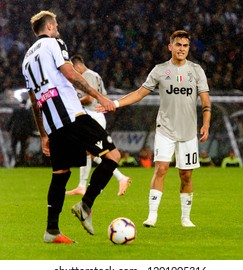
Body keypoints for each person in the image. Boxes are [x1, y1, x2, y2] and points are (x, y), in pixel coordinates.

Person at [22, 11, 119, 244]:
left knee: (61, 174)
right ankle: (85, 206)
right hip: (71, 115)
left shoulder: (26, 60)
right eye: (56, 25)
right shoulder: (54, 43)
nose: (58, 28)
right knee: (112, 156)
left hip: (53, 123)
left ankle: (51, 231)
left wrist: (44, 133)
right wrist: (99, 97)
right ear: (49, 26)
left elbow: (35, 101)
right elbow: (70, 74)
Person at [98, 30, 211, 227]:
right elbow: (140, 93)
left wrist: (206, 124)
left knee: (186, 175)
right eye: (178, 45)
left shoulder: (196, 70)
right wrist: (115, 104)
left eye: (185, 46)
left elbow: (205, 100)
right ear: (170, 47)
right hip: (165, 129)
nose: (181, 49)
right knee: (161, 168)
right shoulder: (159, 70)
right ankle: (152, 216)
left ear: (188, 48)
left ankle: (185, 218)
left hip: (188, 132)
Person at [65, 54, 131, 196]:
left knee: (98, 153)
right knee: (86, 152)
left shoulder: (88, 75)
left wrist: (72, 103)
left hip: (92, 115)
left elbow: (89, 98)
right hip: (94, 116)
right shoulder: (96, 76)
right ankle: (82, 186)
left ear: (76, 66)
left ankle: (121, 177)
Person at [7, 100, 35, 167]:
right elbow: (30, 123)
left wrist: (8, 129)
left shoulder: (15, 111)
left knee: (13, 146)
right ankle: (21, 161)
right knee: (23, 147)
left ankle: (14, 159)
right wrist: (31, 132)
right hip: (24, 132)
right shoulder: (27, 112)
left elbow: (11, 120)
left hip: (15, 131)